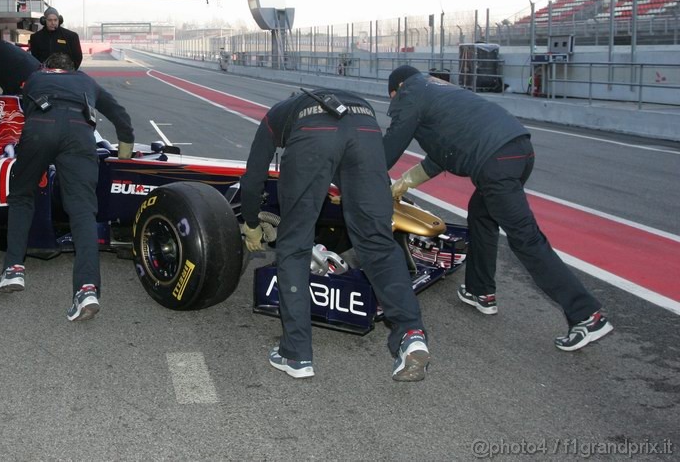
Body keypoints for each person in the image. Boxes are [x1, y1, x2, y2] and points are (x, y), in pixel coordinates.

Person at [384, 65, 612, 351]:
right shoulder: (440, 90)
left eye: (393, 96)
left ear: (398, 88)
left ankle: (587, 315)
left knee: (526, 239)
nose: (394, 103)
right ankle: (480, 291)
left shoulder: (411, 91)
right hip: (519, 149)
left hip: (495, 163)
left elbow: (389, 148)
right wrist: (403, 184)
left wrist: (362, 177)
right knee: (481, 213)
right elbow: (443, 155)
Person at [239, 89, 430, 381]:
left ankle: (296, 353)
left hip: (313, 136)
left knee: (295, 244)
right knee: (377, 241)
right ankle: (411, 334)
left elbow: (254, 177)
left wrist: (251, 222)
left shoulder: (276, 115)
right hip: (366, 127)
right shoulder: (341, 100)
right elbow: (349, 146)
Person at [0, 52, 134, 321]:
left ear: (46, 67)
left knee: (22, 196)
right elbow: (119, 115)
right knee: (82, 212)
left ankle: (13, 270)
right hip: (80, 133)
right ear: (72, 69)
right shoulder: (87, 81)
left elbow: (22, 107)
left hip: (41, 128)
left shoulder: (35, 78)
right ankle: (87, 289)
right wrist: (125, 152)